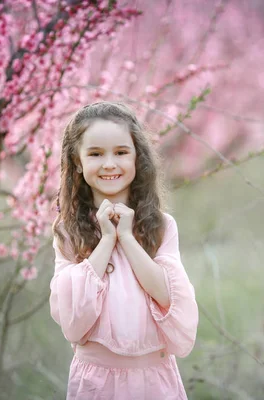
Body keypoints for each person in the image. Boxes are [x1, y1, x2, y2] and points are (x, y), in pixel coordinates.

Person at [49, 101, 199, 399]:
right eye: (95, 154)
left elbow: (169, 297)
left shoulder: (161, 226)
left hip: (154, 380)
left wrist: (127, 238)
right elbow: (74, 322)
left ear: (136, 157)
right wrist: (106, 240)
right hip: (96, 382)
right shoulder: (68, 232)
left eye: (120, 152)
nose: (109, 164)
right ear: (77, 162)